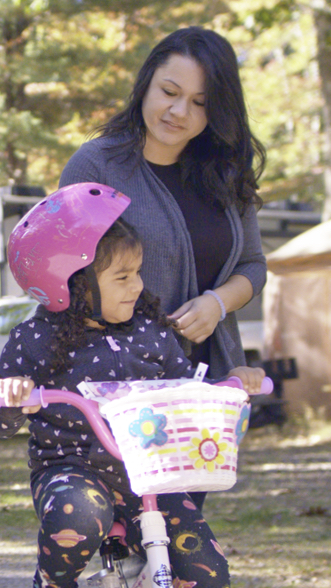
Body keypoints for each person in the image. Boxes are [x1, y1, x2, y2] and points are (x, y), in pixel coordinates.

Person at [0, 182, 264, 588]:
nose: (138, 287)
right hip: (72, 469)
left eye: (137, 273)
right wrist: (12, 396)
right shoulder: (36, 338)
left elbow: (188, 390)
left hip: (149, 479)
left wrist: (235, 385)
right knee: (79, 512)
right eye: (122, 277)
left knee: (204, 565)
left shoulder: (154, 335)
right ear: (73, 283)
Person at [58, 26, 267, 383]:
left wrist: (216, 304)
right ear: (146, 84)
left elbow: (252, 266)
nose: (179, 111)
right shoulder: (95, 167)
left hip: (214, 381)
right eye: (169, 92)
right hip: (121, 386)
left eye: (200, 103)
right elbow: (63, 278)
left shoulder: (226, 173)